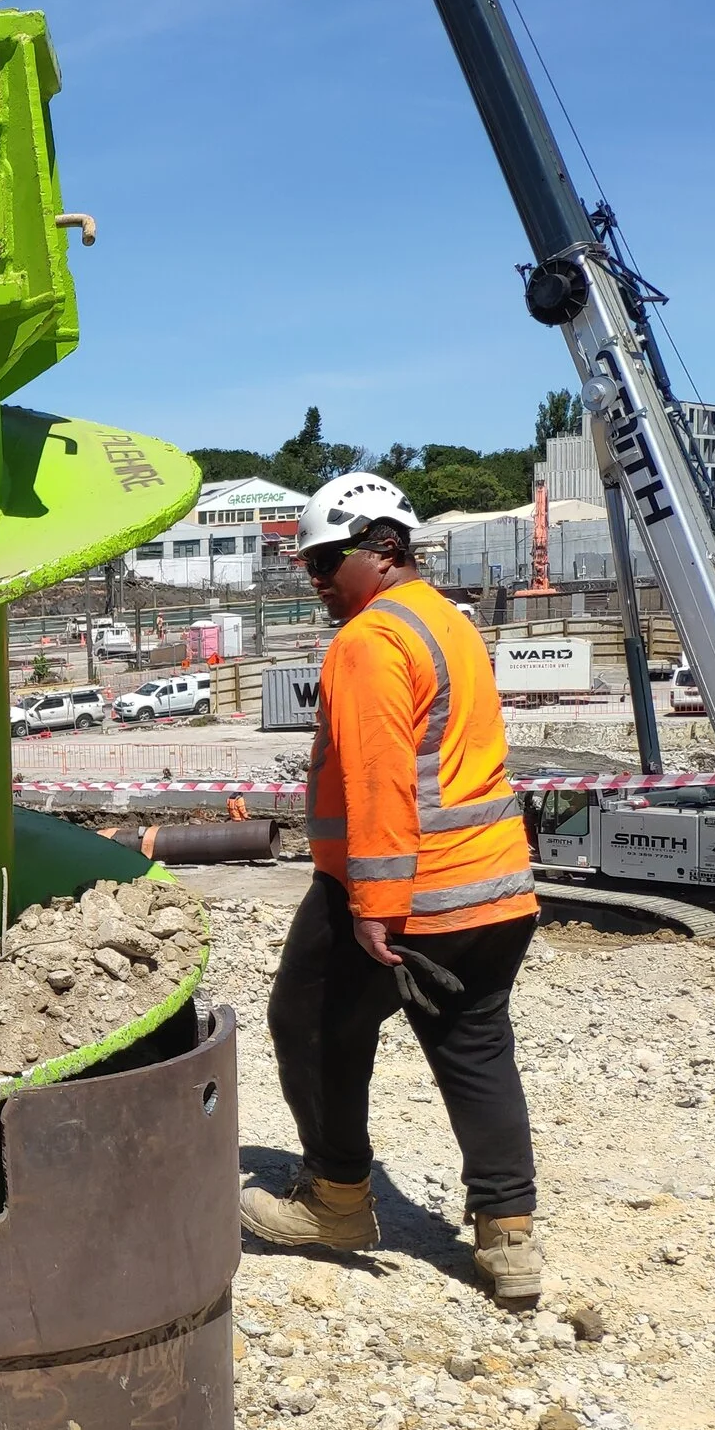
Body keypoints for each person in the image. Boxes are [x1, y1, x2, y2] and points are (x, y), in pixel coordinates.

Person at [238, 472, 545, 1304]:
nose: (315, 580)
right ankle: (508, 1238)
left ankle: (336, 1199)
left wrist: (375, 906)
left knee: (308, 1022)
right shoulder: (447, 621)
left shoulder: (370, 642)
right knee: (474, 1047)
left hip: (403, 892)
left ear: (381, 548)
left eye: (325, 561)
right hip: (494, 889)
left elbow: (382, 782)